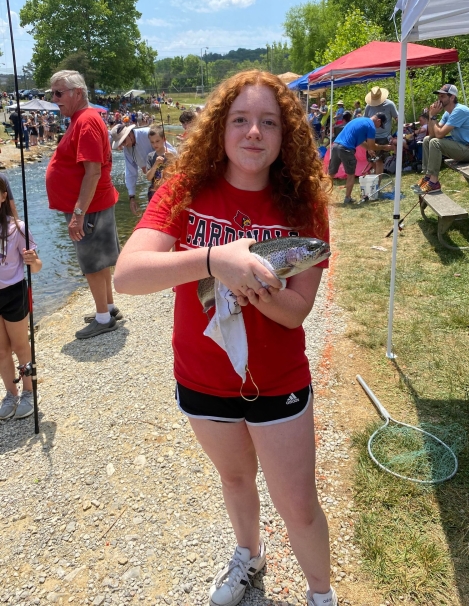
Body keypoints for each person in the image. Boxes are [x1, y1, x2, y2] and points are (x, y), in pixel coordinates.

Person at [114, 70, 338, 606]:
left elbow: (297, 312)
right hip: (201, 378)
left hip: (278, 382)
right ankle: (249, 556)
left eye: (268, 122)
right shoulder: (183, 188)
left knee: (298, 504)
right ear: (219, 128)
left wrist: (253, 284)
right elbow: (127, 275)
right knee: (236, 482)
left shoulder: (306, 207)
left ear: (286, 137)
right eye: (240, 119)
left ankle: (321, 594)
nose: (254, 132)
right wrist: (217, 260)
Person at [45, 70, 122, 339]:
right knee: (100, 260)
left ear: (78, 93)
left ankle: (103, 319)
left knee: (91, 261)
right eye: (51, 93)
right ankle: (108, 308)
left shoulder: (86, 121)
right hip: (93, 203)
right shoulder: (82, 118)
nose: (54, 99)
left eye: (58, 93)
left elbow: (93, 172)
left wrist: (78, 213)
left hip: (88, 206)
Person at [0, 176, 42, 420]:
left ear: (4, 196)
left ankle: (28, 392)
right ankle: (10, 394)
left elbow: (36, 267)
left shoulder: (17, 228)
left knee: (19, 345)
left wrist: (32, 261)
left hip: (14, 293)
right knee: (2, 351)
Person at [414, 84, 469, 194]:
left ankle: (434, 183)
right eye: (439, 96)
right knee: (427, 140)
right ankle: (428, 177)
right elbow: (432, 134)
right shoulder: (447, 113)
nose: (439, 99)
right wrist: (431, 115)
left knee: (435, 143)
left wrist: (434, 116)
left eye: (442, 96)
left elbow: (439, 135)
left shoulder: (459, 111)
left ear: (452, 97)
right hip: (464, 147)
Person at [110, 123, 176, 216]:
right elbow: (130, 172)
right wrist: (132, 197)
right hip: (154, 180)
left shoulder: (147, 133)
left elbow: (171, 151)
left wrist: (171, 157)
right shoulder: (127, 149)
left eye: (124, 141)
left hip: (169, 179)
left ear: (129, 134)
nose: (124, 145)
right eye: (121, 143)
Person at [328, 112, 393, 204]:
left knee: (331, 173)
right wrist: (383, 147)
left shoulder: (359, 120)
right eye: (380, 125)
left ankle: (322, 194)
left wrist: (369, 149)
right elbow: (372, 145)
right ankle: (347, 198)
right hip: (346, 149)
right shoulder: (371, 126)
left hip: (335, 146)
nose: (379, 127)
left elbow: (360, 141)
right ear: (378, 120)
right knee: (350, 174)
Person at [364, 86, 398, 175]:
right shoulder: (368, 106)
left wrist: (399, 121)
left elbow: (397, 117)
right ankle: (375, 177)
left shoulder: (389, 105)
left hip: (383, 137)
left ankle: (377, 185)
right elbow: (365, 120)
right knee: (371, 160)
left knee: (379, 161)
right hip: (371, 137)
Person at [145, 125, 171, 201]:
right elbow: (148, 177)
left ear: (164, 139)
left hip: (168, 191)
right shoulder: (150, 156)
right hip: (155, 192)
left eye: (157, 141)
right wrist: (155, 164)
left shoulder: (172, 155)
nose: (155, 144)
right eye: (152, 142)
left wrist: (173, 159)